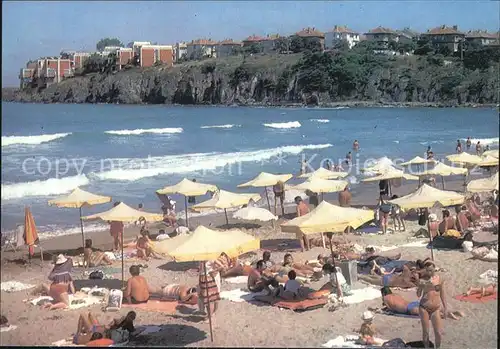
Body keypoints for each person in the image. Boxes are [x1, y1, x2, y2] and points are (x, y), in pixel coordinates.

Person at [380, 287, 464, 320]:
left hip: (409, 309)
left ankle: (447, 315)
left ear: (383, 293)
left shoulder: (385, 298)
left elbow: (389, 308)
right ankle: (454, 311)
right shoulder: (396, 294)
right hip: (413, 303)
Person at [417, 263, 448, 349]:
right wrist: (420, 287)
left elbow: (442, 294)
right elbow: (418, 295)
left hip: (436, 308)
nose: (429, 272)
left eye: (430, 270)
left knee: (438, 332)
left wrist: (445, 308)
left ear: (434, 269)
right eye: (427, 270)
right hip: (424, 308)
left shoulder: (439, 279)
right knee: (426, 331)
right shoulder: (423, 280)